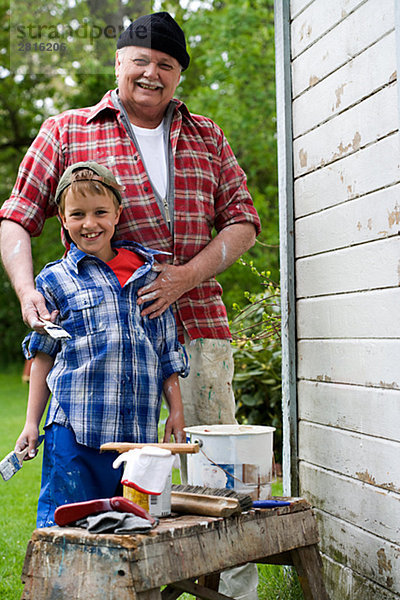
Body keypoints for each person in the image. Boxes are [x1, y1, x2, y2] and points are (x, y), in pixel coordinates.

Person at [1, 13, 260, 597]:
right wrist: (27, 292)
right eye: (140, 60)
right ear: (118, 63)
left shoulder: (206, 135)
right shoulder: (66, 129)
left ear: (178, 76)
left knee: (219, 478)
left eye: (166, 64)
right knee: (122, 496)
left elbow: (243, 221)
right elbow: (17, 218)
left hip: (196, 329)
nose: (152, 73)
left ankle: (234, 594)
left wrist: (184, 277)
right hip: (102, 358)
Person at [14, 162, 188, 528]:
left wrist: (175, 410)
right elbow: (44, 354)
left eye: (99, 213)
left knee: (133, 532)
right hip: (74, 432)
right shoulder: (55, 280)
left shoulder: (150, 276)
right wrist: (31, 422)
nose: (89, 223)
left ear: (117, 214)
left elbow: (166, 351)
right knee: (68, 531)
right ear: (62, 218)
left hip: (136, 441)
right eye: (77, 214)